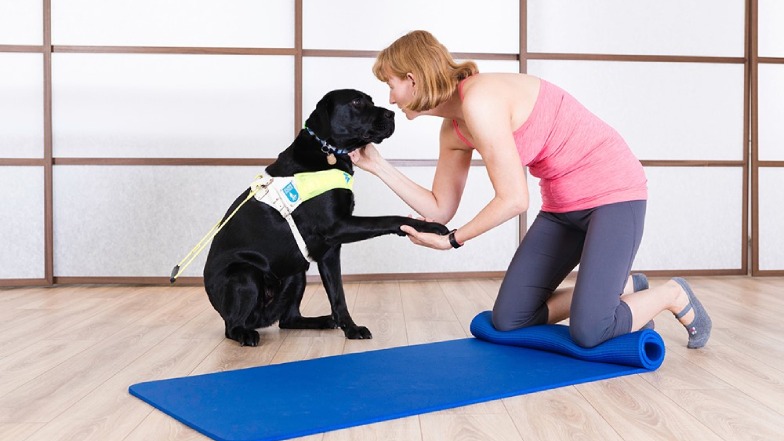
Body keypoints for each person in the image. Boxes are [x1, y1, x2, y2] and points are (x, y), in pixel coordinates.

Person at [349, 30, 712, 349]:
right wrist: (378, 166)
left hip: (614, 195)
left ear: (412, 79)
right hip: (562, 207)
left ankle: (671, 293)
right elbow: (439, 208)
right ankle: (626, 289)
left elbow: (514, 199)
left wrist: (452, 240)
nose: (391, 99)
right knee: (511, 319)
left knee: (590, 331)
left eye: (391, 85)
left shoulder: (480, 100)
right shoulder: (453, 129)